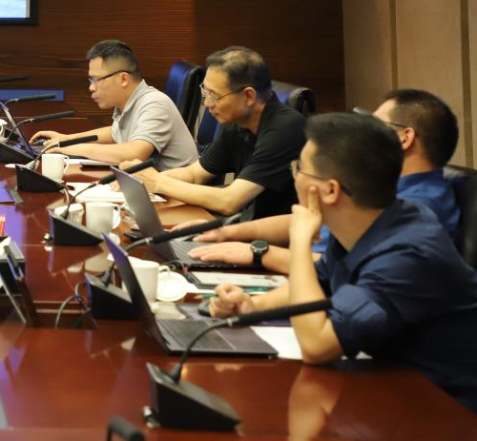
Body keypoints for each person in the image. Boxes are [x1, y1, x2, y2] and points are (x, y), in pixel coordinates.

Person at [210, 113, 477, 413]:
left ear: (330, 191)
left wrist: (300, 240)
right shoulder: (364, 221)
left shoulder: (409, 252)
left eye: (299, 168)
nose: (294, 176)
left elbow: (316, 346)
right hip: (387, 391)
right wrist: (253, 306)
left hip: (444, 411)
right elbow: (319, 282)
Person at [187, 88, 462, 271]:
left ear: (404, 137)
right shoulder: (381, 184)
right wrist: (228, 232)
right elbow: (308, 218)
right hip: (301, 274)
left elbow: (343, 269)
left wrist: (259, 253)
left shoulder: (421, 206)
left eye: (374, 126)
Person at [126, 46, 304, 219]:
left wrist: (159, 182)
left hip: (281, 233)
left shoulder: (285, 129)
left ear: (249, 96)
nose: (207, 103)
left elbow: (230, 202)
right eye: (205, 92)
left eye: (214, 95)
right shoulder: (236, 122)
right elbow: (195, 174)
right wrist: (142, 180)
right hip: (246, 223)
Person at [29, 40, 197, 170]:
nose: (91, 87)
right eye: (90, 80)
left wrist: (69, 147)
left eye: (96, 80)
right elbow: (115, 132)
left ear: (123, 79)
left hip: (177, 197)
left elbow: (134, 154)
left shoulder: (154, 103)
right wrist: (66, 139)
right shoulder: (129, 101)